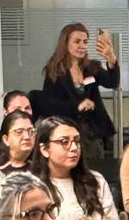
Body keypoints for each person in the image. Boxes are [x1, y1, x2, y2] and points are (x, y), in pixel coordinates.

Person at [39, 23, 120, 163]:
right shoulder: (54, 71)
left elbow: (112, 83)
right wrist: (77, 106)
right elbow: (49, 105)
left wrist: (111, 60)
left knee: (94, 172)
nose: (82, 45)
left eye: (85, 42)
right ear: (65, 44)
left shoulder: (92, 67)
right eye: (77, 41)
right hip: (68, 132)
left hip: (93, 133)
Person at [32, 115, 117, 220]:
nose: (74, 148)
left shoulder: (96, 181)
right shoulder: (31, 188)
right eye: (64, 142)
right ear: (44, 149)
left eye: (76, 141)